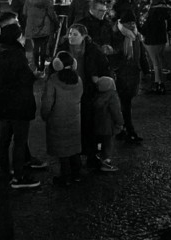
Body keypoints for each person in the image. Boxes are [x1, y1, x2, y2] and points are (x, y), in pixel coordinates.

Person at [0, 24, 43, 187]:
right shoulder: (16, 54)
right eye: (20, 35)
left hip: (3, 101)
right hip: (19, 102)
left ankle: (4, 170)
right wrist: (34, 77)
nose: (23, 38)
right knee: (19, 140)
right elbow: (23, 78)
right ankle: (19, 176)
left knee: (4, 138)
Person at [67, 25, 110, 170]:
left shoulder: (93, 50)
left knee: (89, 125)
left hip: (87, 92)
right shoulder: (63, 50)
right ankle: (74, 159)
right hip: (69, 94)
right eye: (70, 34)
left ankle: (92, 156)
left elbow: (104, 67)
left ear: (84, 36)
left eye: (75, 34)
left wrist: (97, 79)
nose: (71, 37)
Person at [42, 52, 85, 186]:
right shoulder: (78, 79)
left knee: (63, 151)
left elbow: (47, 103)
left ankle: (65, 177)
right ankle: (77, 175)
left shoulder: (53, 80)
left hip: (57, 120)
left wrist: (45, 116)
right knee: (74, 148)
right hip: (74, 119)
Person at [109, 9, 145, 143]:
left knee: (126, 103)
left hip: (134, 72)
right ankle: (129, 131)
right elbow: (115, 54)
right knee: (125, 102)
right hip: (123, 73)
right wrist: (117, 68)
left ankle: (123, 129)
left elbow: (140, 54)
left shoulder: (135, 34)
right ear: (122, 22)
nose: (132, 24)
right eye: (129, 22)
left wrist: (146, 69)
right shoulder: (117, 34)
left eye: (133, 22)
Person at [19, 0, 57, 71]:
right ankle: (42, 66)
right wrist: (56, 23)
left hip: (32, 26)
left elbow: (24, 13)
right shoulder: (46, 0)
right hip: (44, 26)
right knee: (43, 46)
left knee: (35, 45)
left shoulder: (29, 0)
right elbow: (52, 14)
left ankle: (36, 65)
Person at [142, 0, 171, 94]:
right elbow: (169, 26)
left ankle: (157, 83)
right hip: (162, 39)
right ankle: (160, 83)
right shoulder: (167, 10)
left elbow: (147, 26)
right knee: (158, 61)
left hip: (151, 40)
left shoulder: (152, 11)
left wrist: (140, 29)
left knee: (155, 62)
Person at [91, 75, 124, 172]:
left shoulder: (96, 95)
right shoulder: (112, 96)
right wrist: (120, 123)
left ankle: (97, 158)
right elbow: (116, 112)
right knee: (108, 145)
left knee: (99, 143)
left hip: (97, 126)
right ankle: (106, 162)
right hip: (109, 127)